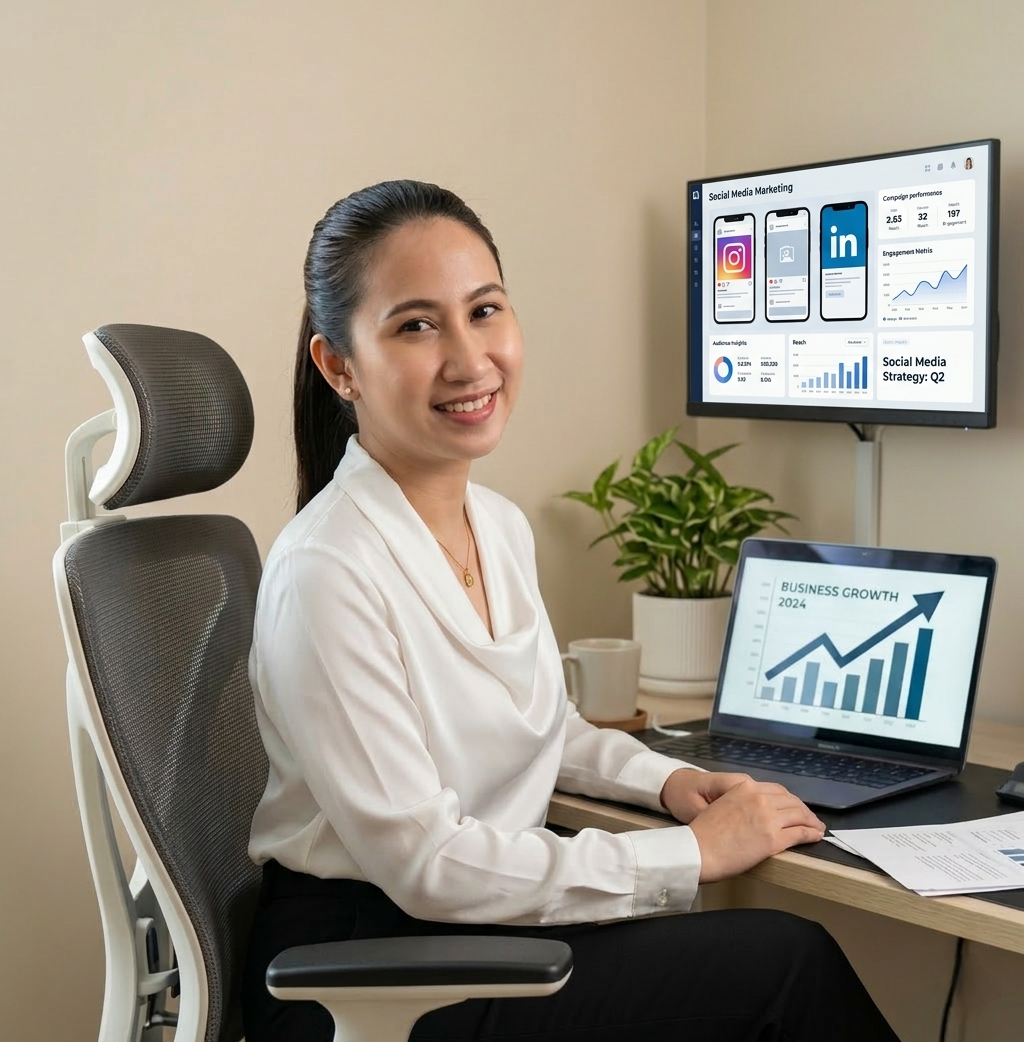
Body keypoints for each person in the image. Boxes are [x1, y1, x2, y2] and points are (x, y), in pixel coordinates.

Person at [241, 180, 901, 1042]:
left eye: (484, 311)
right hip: (366, 975)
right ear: (340, 367)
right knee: (785, 965)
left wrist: (666, 781)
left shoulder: (500, 527)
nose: (469, 359)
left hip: (471, 929)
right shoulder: (327, 570)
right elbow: (426, 866)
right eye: (416, 325)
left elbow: (541, 725)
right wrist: (691, 856)